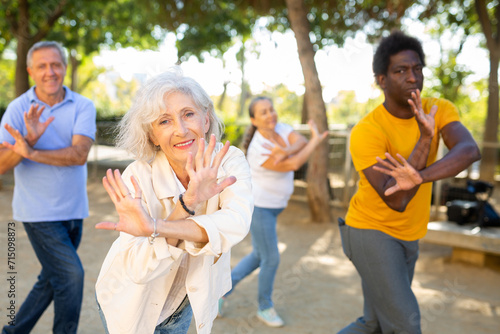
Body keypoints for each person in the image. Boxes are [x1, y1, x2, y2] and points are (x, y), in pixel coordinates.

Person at [337, 31, 481, 334]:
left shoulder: (437, 109)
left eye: (417, 69)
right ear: (382, 80)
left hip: (409, 235)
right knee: (405, 324)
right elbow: (397, 200)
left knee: (374, 324)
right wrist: (425, 139)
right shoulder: (367, 131)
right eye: (400, 70)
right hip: (369, 231)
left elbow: (469, 151)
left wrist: (422, 174)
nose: (412, 77)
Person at [94, 69, 253, 334]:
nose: (181, 129)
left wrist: (156, 227)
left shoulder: (229, 160)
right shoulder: (138, 175)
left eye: (188, 114)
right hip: (129, 304)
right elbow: (139, 270)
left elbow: (235, 223)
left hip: (181, 306)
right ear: (152, 135)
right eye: (164, 121)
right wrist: (188, 202)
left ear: (206, 119)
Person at [0, 41, 96, 334]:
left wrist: (32, 151)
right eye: (41, 66)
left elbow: (79, 155)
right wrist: (27, 142)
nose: (50, 72)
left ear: (65, 68)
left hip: (74, 210)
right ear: (30, 71)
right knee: (71, 275)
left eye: (56, 64)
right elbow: (1, 164)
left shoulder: (83, 105)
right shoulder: (18, 109)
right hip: (37, 213)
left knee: (51, 279)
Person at [218, 96, 328, 327]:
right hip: (260, 207)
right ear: (253, 120)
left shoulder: (282, 128)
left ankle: (221, 291)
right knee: (271, 257)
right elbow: (294, 163)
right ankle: (265, 306)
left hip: (275, 206)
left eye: (271, 109)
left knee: (259, 255)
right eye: (263, 113)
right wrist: (312, 143)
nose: (270, 115)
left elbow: (298, 142)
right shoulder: (258, 149)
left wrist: (286, 148)